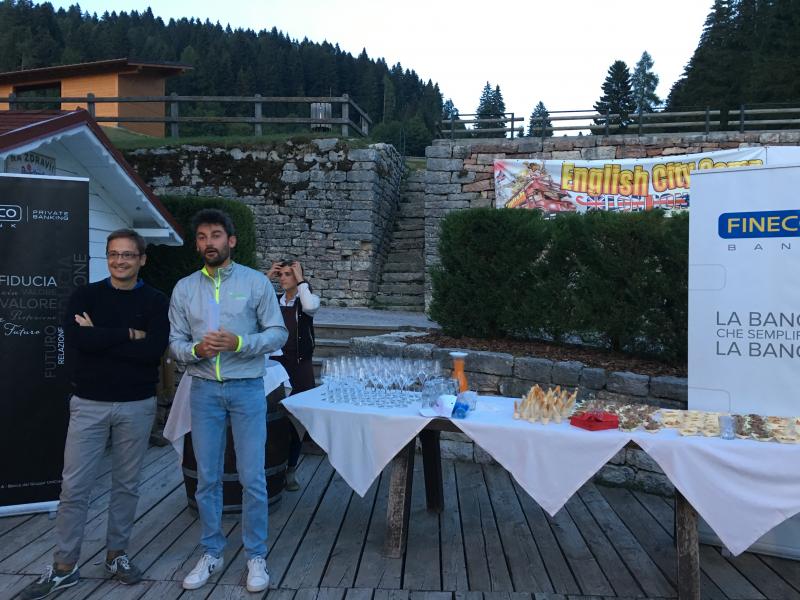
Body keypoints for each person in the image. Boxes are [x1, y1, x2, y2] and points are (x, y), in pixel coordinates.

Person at [20, 229, 169, 600]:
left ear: (142, 259)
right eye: (114, 254)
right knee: (74, 487)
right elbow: (78, 340)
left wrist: (101, 336)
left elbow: (153, 351)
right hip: (88, 404)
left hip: (136, 404)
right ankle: (64, 567)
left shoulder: (155, 301)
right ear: (107, 257)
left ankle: (117, 556)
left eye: (128, 255)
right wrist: (129, 334)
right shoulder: (85, 295)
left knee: (126, 485)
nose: (120, 261)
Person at [168, 209, 287, 593]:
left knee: (253, 478)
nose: (209, 243)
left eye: (216, 235)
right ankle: (211, 552)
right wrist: (195, 350)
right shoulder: (184, 288)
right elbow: (174, 343)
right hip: (203, 391)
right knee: (207, 478)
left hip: (247, 388)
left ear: (231, 241)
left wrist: (240, 343)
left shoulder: (255, 283)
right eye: (202, 237)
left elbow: (278, 333)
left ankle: (256, 555)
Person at [267, 260, 320, 491]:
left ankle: (290, 469)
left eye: (288, 274)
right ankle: (272, 467)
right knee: (273, 418)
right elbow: (251, 301)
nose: (283, 278)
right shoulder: (273, 301)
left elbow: (309, 306)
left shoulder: (308, 299)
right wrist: (267, 276)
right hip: (275, 367)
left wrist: (301, 281)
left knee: (296, 419)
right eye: (281, 274)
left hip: (299, 367)